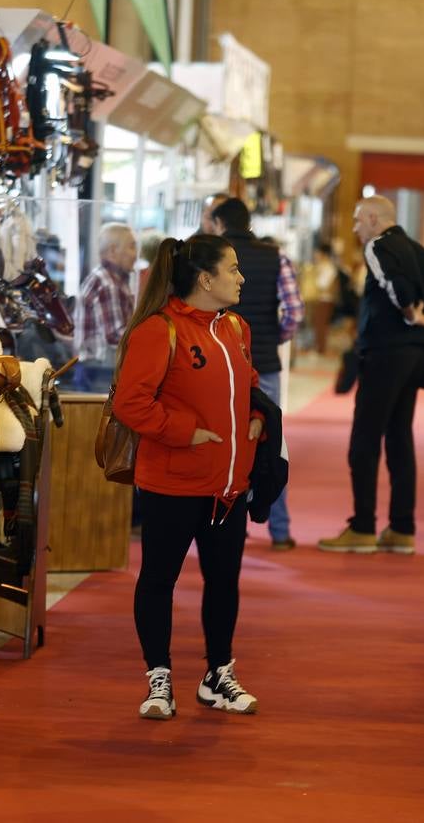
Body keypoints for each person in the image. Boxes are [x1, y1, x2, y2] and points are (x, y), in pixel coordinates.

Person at [113, 233, 264, 721]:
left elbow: (249, 385)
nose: (241, 278)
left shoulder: (237, 328)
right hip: (172, 484)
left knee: (225, 582)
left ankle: (218, 673)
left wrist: (258, 419)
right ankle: (159, 678)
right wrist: (187, 433)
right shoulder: (159, 330)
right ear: (205, 278)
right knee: (159, 579)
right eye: (233, 269)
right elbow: (131, 403)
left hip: (227, 488)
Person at [319, 195, 424, 555]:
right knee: (400, 438)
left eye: (358, 221)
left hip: (385, 352)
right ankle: (402, 528)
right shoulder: (420, 249)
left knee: (365, 440)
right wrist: (421, 323)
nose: (356, 229)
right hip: (416, 354)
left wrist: (408, 314)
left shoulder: (377, 246)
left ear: (374, 219)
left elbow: (395, 286)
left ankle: (363, 527)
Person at [211, 198, 303, 549]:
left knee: (223, 443)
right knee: (272, 443)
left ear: (219, 223)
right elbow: (294, 310)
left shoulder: (213, 256)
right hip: (264, 362)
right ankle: (280, 530)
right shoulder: (275, 255)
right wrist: (273, 337)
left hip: (222, 365)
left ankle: (228, 523)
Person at [71, 223, 137, 393]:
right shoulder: (108, 284)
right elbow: (116, 335)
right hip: (100, 373)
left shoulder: (109, 279)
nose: (135, 255)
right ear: (113, 251)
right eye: (131, 247)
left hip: (96, 370)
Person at [300, 243, 340, 355]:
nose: (315, 255)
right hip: (319, 299)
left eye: (318, 253)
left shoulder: (328, 267)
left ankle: (321, 349)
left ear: (323, 254)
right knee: (317, 324)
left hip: (325, 300)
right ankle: (317, 347)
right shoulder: (321, 266)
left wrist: (312, 276)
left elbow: (322, 285)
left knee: (320, 325)